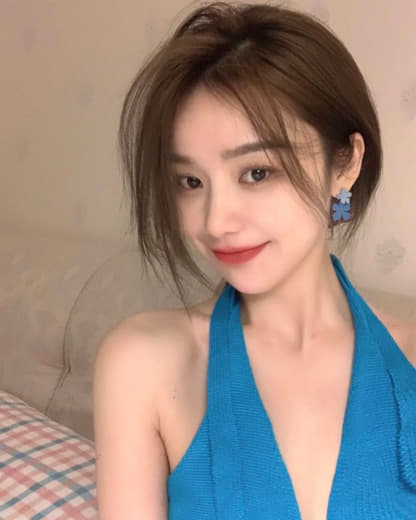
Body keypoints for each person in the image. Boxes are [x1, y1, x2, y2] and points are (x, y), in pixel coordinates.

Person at [92, 2, 416, 519]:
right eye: (190, 181)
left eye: (257, 173)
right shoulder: (144, 363)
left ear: (346, 164)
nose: (216, 220)